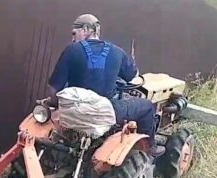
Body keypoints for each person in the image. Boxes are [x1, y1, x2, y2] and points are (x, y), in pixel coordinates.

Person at [41, 14, 165, 157]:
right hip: (105, 111)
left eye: (74, 34)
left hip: (74, 112)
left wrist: (54, 103)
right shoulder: (118, 52)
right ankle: (150, 148)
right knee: (147, 106)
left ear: (87, 29)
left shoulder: (71, 50)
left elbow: (53, 89)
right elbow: (133, 76)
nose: (73, 38)